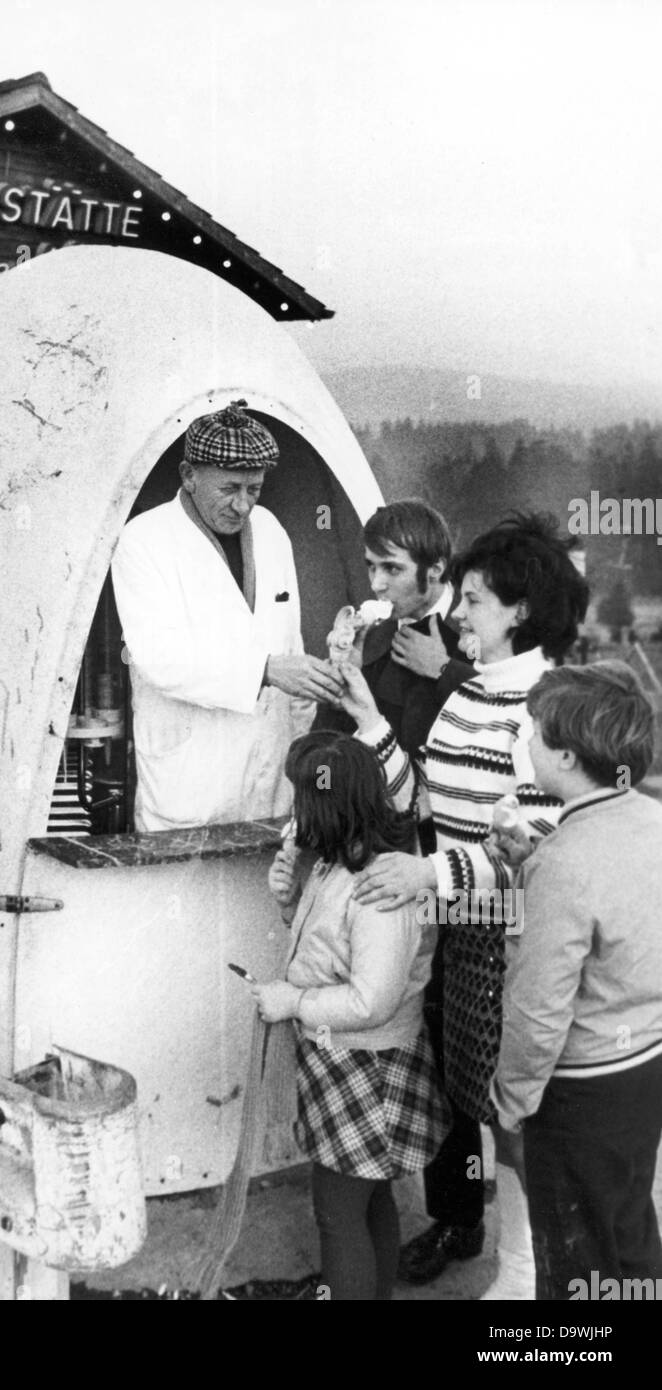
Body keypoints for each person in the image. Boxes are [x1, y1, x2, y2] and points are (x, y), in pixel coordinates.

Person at [335, 513, 589, 1299]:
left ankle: (523, 1281)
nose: (460, 614)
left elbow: (539, 852)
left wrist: (430, 878)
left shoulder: (545, 708)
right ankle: (521, 1269)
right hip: (459, 936)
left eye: (473, 600)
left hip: (510, 947)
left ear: (518, 612)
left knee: (517, 1121)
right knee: (478, 1105)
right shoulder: (474, 689)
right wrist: (370, 719)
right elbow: (422, 800)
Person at [314, 499, 483, 1283]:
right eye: (372, 565)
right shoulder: (377, 634)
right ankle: (385, 1192)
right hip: (376, 860)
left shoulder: (471, 640)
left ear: (436, 575)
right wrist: (339, 671)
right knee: (402, 1036)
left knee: (451, 1049)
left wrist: (445, 673)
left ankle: (458, 1217)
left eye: (392, 570)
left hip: (449, 872)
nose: (376, 582)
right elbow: (332, 734)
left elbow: (505, 727)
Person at [252, 731, 450, 1300]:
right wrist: (289, 899)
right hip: (344, 1061)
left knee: (338, 1213)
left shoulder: (382, 889)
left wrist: (294, 1003)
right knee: (370, 1196)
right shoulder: (337, 861)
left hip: (370, 1069)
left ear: (328, 808)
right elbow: (327, 948)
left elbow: (372, 1000)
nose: (296, 814)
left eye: (302, 802)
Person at [491, 662, 662, 1301]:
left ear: (564, 755)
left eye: (532, 733)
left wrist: (511, 1102)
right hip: (645, 1067)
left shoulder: (564, 862)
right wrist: (534, 863)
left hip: (578, 1096)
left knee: (575, 1269)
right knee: (627, 1232)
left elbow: (538, 1013)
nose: (525, 745)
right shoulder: (649, 819)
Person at [111, 401, 344, 831]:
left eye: (254, 489)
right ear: (188, 475)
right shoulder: (143, 541)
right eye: (229, 488)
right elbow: (157, 659)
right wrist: (265, 671)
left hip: (271, 780)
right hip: (190, 786)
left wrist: (300, 752)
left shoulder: (271, 530)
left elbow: (288, 645)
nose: (242, 505)